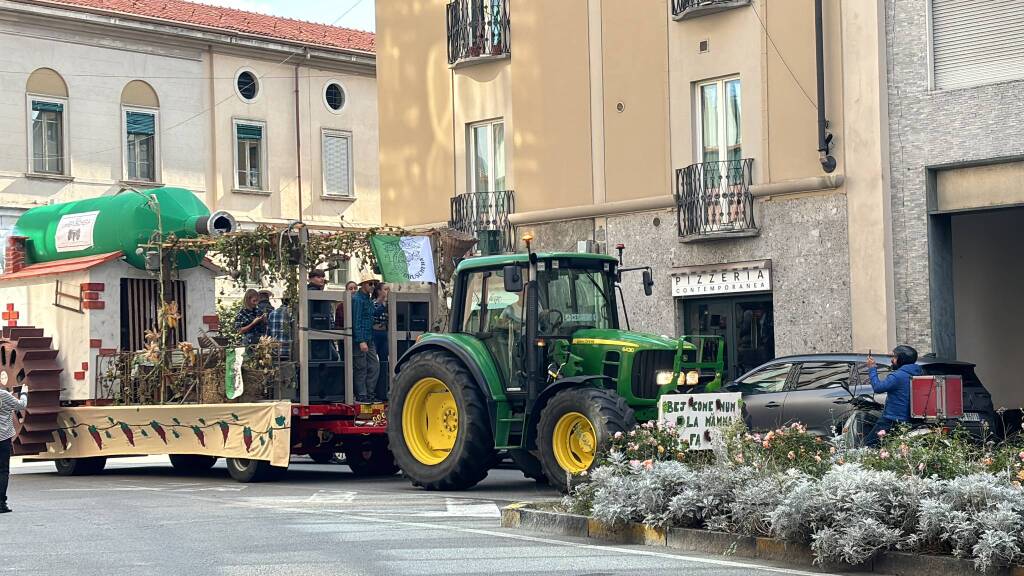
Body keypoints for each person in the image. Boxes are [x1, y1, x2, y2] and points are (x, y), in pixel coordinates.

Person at [865, 345, 923, 447]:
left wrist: (872, 368)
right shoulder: (919, 373)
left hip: (892, 419)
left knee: (869, 445)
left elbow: (878, 388)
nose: (892, 360)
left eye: (895, 357)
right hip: (910, 419)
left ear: (901, 359)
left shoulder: (897, 376)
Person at [1, 383, 29, 513]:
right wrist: (24, 392)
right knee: (2, 471)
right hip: (3, 438)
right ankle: (1, 503)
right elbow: (22, 405)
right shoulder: (4, 395)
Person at [352, 275, 380, 403]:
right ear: (363, 284)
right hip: (362, 339)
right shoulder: (357, 299)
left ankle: (369, 392)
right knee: (361, 367)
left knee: (374, 365)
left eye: (374, 284)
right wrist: (361, 340)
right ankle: (361, 394)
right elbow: (356, 321)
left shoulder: (368, 299)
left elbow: (372, 315)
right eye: (370, 284)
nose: (373, 286)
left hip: (369, 338)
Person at [372, 283, 390, 401]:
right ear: (379, 291)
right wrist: (382, 304)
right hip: (375, 334)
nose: (388, 291)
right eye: (385, 289)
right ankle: (372, 391)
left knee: (384, 362)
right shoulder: (373, 303)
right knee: (374, 363)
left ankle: (384, 389)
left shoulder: (390, 304)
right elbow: (374, 314)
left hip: (385, 334)